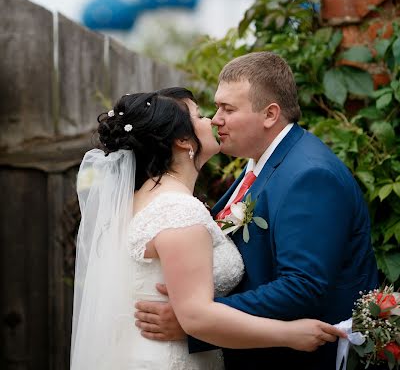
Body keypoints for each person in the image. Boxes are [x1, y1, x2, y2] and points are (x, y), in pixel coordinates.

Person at [70, 86, 344, 370]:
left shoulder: (143, 200)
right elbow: (196, 317)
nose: (212, 121)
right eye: (200, 115)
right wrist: (290, 334)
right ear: (183, 140)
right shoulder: (177, 210)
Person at [134, 54, 379, 370]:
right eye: (217, 106)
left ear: (270, 114)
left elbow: (302, 286)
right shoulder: (260, 163)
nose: (216, 118)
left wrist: (195, 321)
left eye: (229, 109)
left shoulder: (311, 175)